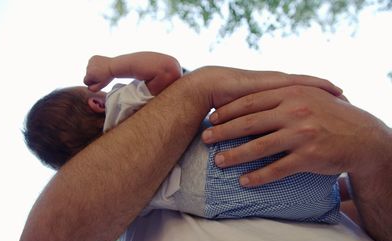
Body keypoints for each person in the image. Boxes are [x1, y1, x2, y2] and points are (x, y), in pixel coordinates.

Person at [19, 65, 392, 241]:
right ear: (97, 104)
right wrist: (200, 85)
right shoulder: (107, 200)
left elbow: (350, 212)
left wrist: (375, 149)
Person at [24, 52, 342, 224]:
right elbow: (166, 69)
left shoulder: (106, 183)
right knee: (312, 162)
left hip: (215, 202)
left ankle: (334, 200)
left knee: (332, 206)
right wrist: (111, 66)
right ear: (95, 103)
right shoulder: (118, 109)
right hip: (220, 158)